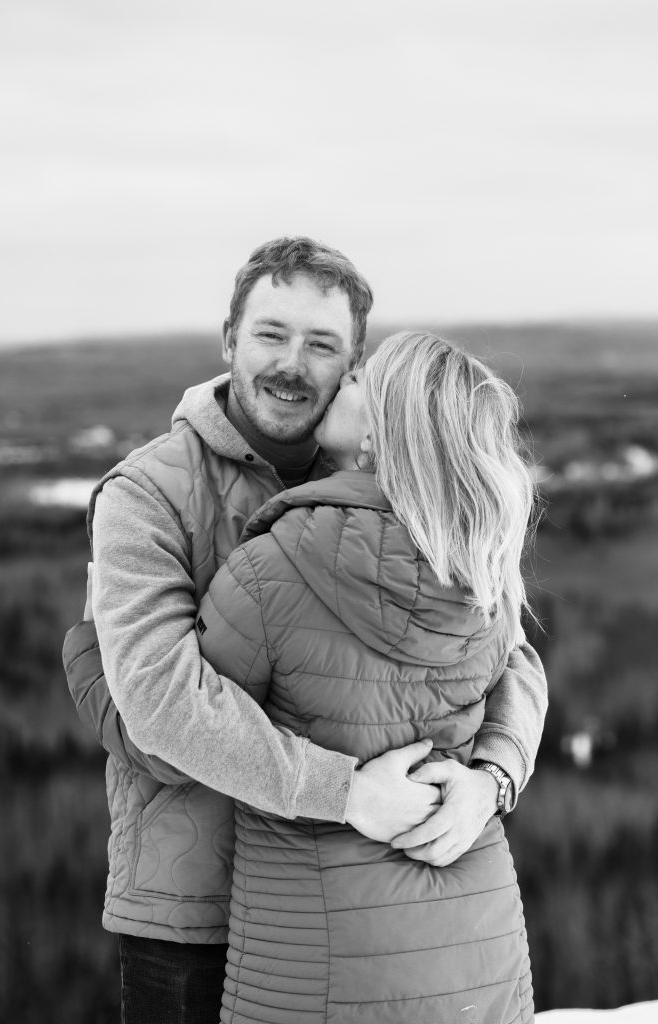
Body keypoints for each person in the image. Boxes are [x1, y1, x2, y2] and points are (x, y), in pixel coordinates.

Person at [62, 237, 547, 1023]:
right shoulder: (147, 493)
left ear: (354, 365)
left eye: (322, 346)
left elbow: (510, 654)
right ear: (228, 340)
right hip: (193, 908)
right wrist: (342, 791)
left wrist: (491, 779)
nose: (291, 363)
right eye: (270, 334)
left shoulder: (395, 479)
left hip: (358, 902)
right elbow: (162, 707)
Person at [194, 330, 537, 1022]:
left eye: (360, 381)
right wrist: (493, 779)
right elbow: (518, 676)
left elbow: (173, 736)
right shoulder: (483, 574)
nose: (343, 377)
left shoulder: (272, 572)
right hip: (482, 946)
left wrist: (88, 648)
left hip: (327, 964)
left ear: (379, 437)